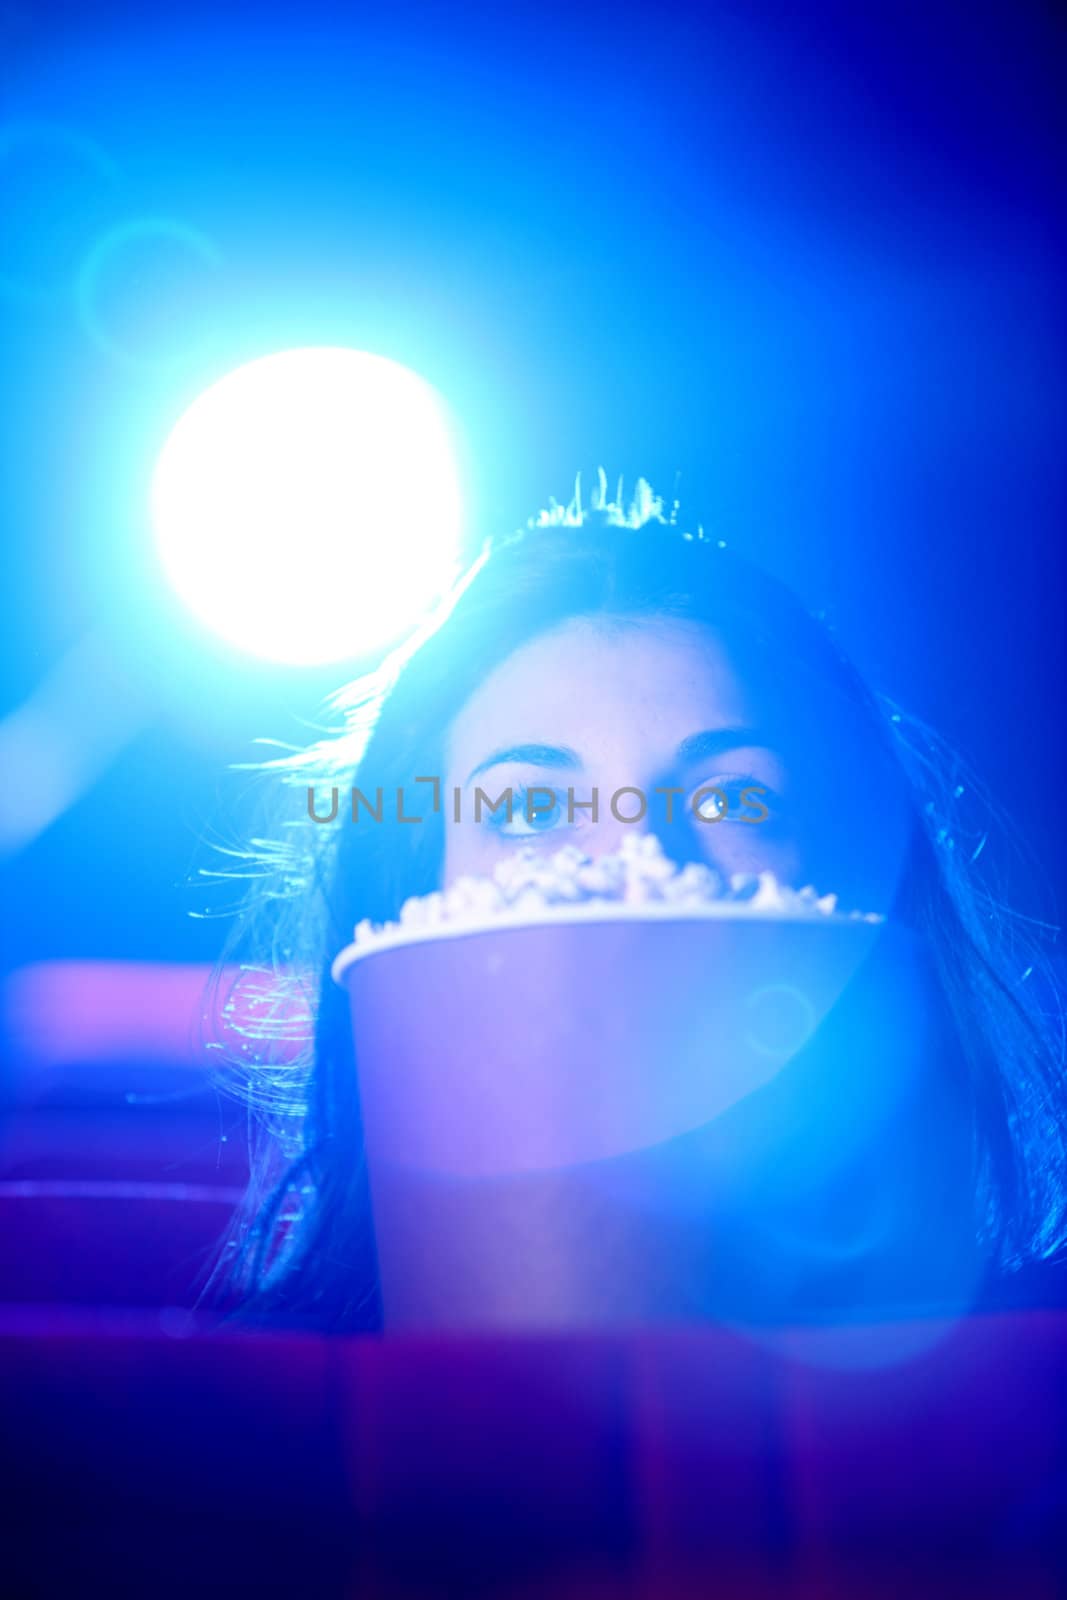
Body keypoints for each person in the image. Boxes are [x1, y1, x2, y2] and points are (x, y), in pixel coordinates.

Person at [203, 474, 1067, 1332]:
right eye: (530, 808)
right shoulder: (249, 1437)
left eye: (732, 800)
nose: (634, 856)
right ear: (409, 894)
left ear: (872, 882)